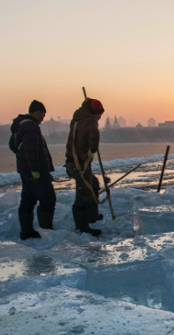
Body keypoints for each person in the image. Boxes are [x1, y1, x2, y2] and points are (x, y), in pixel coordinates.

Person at [9, 100, 56, 240]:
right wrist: (35, 170)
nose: (43, 118)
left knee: (28, 199)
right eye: (42, 114)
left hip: (25, 169)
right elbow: (31, 150)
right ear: (37, 112)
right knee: (48, 198)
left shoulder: (20, 125)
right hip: (36, 171)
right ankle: (47, 233)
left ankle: (26, 232)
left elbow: (13, 145)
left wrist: (22, 160)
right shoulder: (30, 126)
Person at [65, 98, 106, 236]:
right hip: (80, 163)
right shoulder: (90, 122)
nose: (100, 117)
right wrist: (92, 151)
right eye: (99, 114)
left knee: (93, 183)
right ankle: (82, 228)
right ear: (95, 113)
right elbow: (93, 136)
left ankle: (92, 215)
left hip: (73, 161)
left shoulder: (78, 120)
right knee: (83, 193)